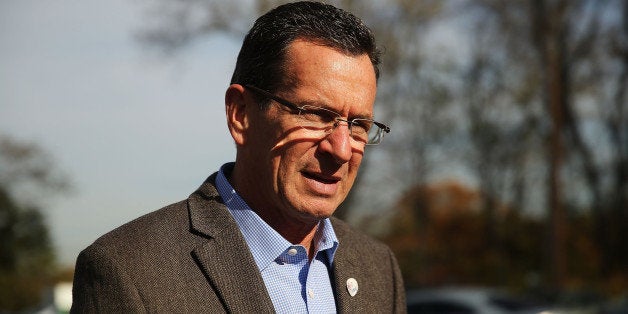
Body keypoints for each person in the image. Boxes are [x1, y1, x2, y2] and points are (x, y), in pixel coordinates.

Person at [71, 1, 405, 313]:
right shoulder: (129, 272)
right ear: (241, 114)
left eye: (359, 125)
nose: (342, 149)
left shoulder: (379, 268)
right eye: (315, 114)